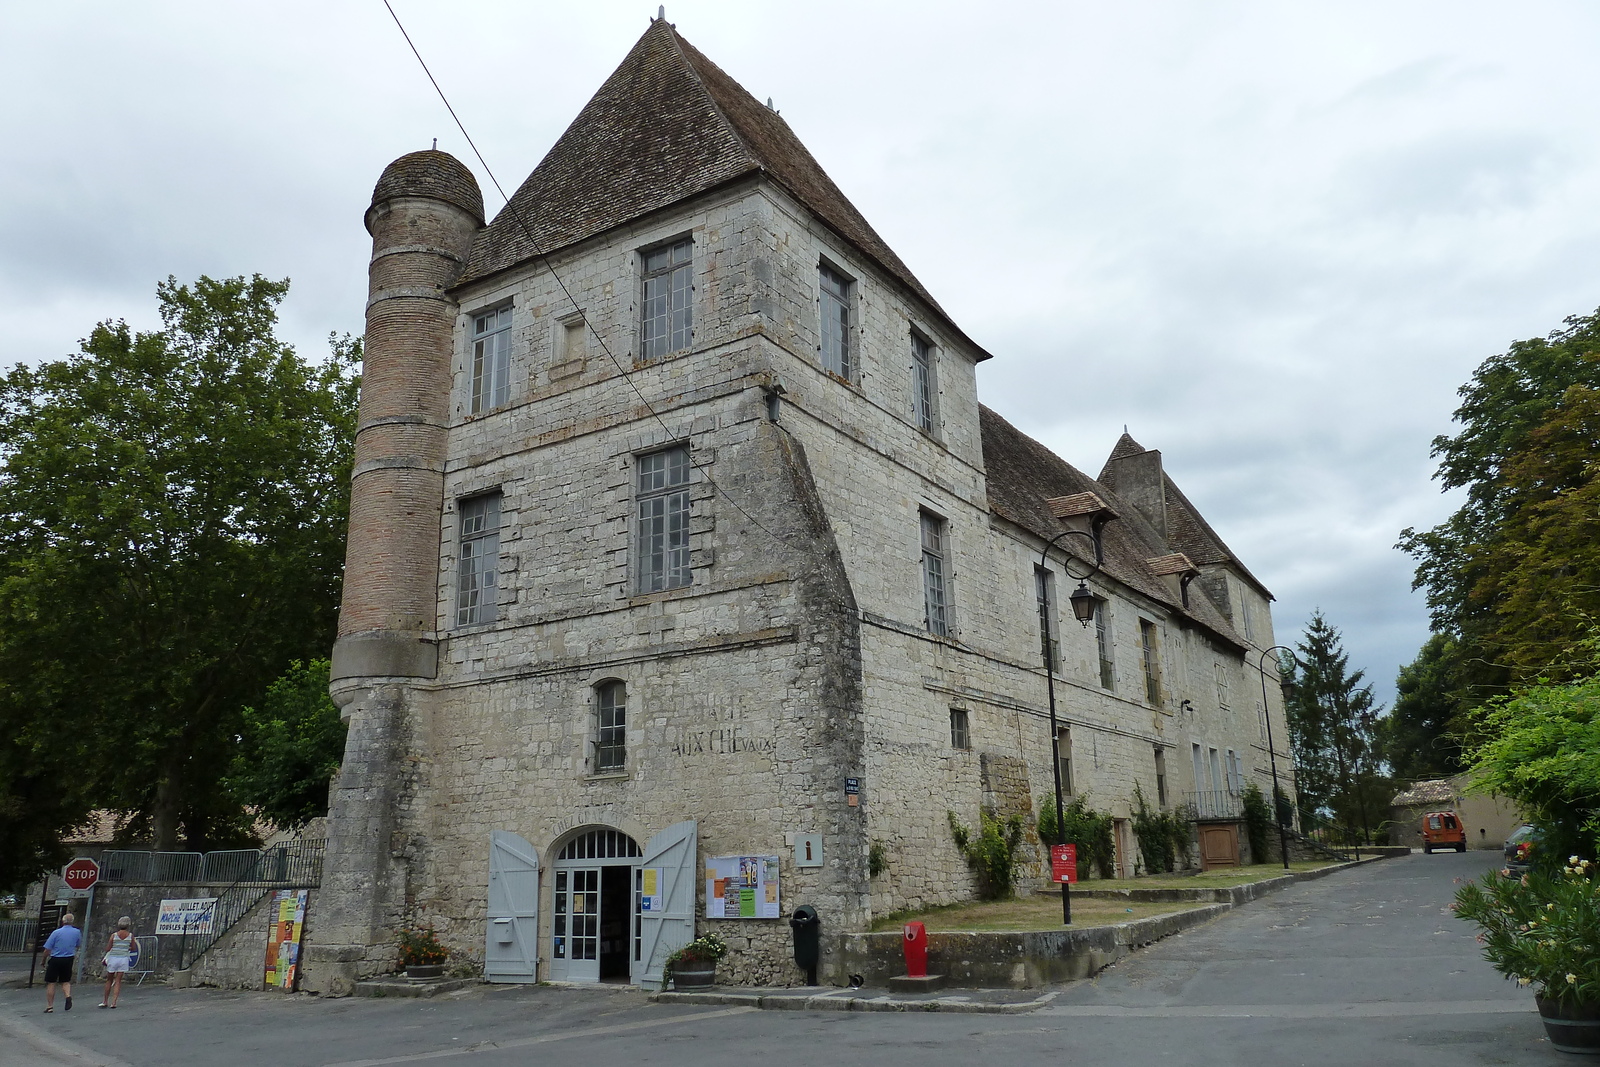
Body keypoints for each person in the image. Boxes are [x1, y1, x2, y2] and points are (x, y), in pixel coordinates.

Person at [42, 911, 81, 1012]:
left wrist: (43, 960)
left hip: (56, 959)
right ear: (72, 922)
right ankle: (68, 996)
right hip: (68, 958)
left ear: (63, 921)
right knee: (65, 981)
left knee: (51, 982)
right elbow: (78, 944)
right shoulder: (77, 932)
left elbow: (47, 949)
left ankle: (50, 1006)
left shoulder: (56, 933)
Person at [99, 916, 135, 1008]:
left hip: (113, 958)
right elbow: (133, 947)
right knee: (118, 980)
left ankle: (105, 1001)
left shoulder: (114, 935)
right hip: (123, 959)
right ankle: (114, 1002)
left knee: (109, 980)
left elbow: (108, 948)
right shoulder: (130, 936)